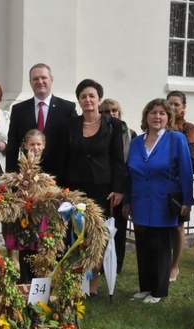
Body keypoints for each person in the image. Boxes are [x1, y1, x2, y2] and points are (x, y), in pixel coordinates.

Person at [50, 79, 125, 295]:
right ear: (79, 101)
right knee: (74, 234)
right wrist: (60, 190)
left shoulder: (114, 126)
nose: (88, 100)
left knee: (96, 236)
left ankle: (92, 282)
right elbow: (62, 158)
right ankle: (74, 280)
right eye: (83, 96)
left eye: (92, 96)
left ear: (99, 99)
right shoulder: (69, 126)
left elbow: (118, 160)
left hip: (102, 189)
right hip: (74, 189)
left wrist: (119, 188)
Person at [123, 98, 193, 304]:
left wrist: (187, 201)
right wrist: (128, 200)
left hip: (164, 201)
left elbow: (186, 171)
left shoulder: (176, 139)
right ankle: (145, 287)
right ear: (146, 116)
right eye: (153, 112)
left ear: (168, 117)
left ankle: (159, 290)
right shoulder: (136, 142)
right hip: (140, 201)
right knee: (143, 245)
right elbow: (129, 173)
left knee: (161, 246)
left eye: (162, 113)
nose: (157, 116)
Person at [5, 63, 77, 174]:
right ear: (30, 83)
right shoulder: (18, 110)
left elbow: (73, 143)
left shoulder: (67, 108)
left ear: (51, 80)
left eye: (43, 77)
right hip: (27, 177)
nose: (40, 81)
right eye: (35, 79)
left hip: (59, 175)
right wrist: (11, 176)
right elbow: (12, 147)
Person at [100, 98, 136, 274]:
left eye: (114, 111)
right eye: (106, 111)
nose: (111, 114)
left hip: (122, 187)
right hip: (102, 186)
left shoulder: (130, 134)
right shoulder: (98, 132)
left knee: (119, 229)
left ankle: (116, 264)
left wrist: (125, 192)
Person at [5, 129, 47, 281]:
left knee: (41, 244)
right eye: (32, 144)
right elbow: (13, 185)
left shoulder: (48, 164)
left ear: (44, 145)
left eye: (38, 144)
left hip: (43, 212)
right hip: (25, 212)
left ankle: (39, 277)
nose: (35, 147)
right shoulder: (19, 165)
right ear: (25, 145)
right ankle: (24, 278)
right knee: (25, 244)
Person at [166, 90, 194, 283]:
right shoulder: (158, 122)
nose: (172, 107)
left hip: (178, 182)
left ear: (183, 107)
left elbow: (189, 153)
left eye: (177, 104)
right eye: (170, 103)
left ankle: (174, 265)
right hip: (161, 183)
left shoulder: (187, 127)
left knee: (178, 226)